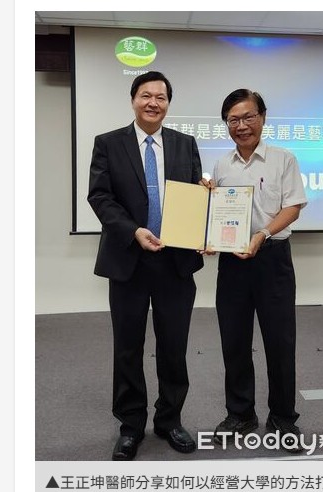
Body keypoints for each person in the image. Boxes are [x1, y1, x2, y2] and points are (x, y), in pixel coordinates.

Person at [88, 71, 203, 461]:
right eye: (146, 95)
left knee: (174, 347)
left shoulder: (185, 144)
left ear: (168, 103)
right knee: (127, 347)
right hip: (129, 259)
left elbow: (194, 196)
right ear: (133, 99)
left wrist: (205, 214)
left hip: (175, 261)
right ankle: (131, 426)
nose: (154, 102)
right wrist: (133, 230)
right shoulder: (108, 143)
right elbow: (100, 197)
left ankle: (170, 420)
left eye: (161, 97)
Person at [208, 89, 308, 453]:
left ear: (263, 118)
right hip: (232, 263)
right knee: (234, 341)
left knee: (280, 342)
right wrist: (208, 232)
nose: (241, 125)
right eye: (233, 120)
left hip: (272, 259)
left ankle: (282, 417)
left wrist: (262, 234)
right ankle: (240, 414)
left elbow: (293, 207)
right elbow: (218, 214)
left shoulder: (283, 159)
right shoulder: (222, 165)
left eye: (248, 117)